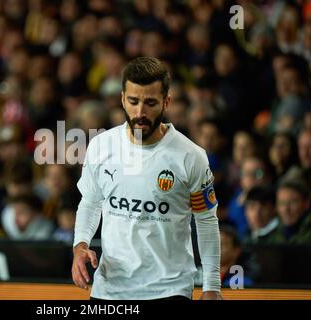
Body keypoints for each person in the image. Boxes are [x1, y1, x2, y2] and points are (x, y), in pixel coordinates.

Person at [72, 57, 222, 300]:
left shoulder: (191, 157)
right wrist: (80, 245)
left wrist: (211, 286)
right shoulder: (101, 145)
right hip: (110, 290)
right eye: (133, 101)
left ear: (166, 102)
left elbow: (206, 220)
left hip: (168, 290)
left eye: (150, 103)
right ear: (122, 99)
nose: (140, 112)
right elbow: (90, 202)